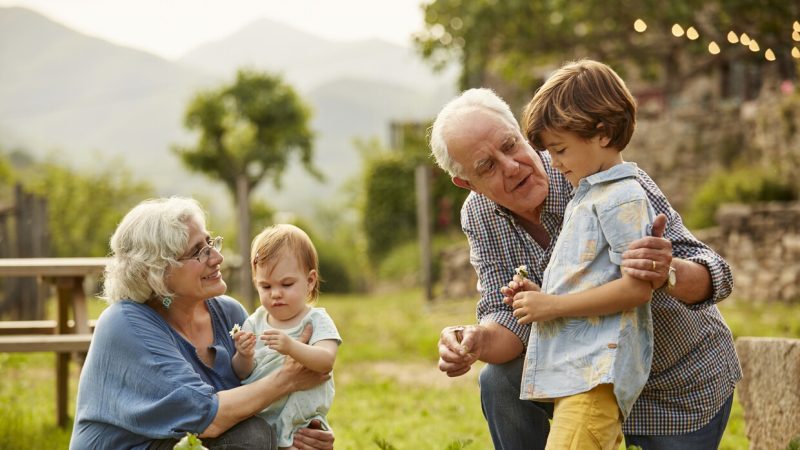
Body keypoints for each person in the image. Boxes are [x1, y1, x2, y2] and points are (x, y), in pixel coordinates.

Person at [430, 83, 741, 448]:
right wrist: (477, 340)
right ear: (467, 183)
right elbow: (508, 316)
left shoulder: (602, 173)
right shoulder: (480, 214)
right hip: (580, 380)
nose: (512, 167)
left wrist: (666, 270)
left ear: (519, 130)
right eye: (488, 166)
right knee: (499, 379)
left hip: (673, 379)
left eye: (510, 145)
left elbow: (715, 273)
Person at [70, 197, 335, 450]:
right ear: (157, 272)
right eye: (198, 252)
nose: (217, 258)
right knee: (251, 437)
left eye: (211, 243)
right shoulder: (124, 324)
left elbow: (257, 394)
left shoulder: (229, 313)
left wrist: (304, 430)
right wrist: (287, 380)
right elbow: (207, 418)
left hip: (193, 442)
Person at [508, 59, 657, 449]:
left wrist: (552, 306)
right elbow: (592, 277)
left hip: (596, 374)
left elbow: (636, 290)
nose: (553, 163)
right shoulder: (590, 194)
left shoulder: (622, 197)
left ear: (603, 134)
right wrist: (537, 295)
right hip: (578, 373)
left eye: (559, 149)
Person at [232, 224, 341, 450]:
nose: (276, 293)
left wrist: (291, 346)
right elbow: (243, 373)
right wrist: (243, 355)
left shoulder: (316, 321)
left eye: (287, 284)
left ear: (310, 281)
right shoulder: (254, 322)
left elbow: (325, 361)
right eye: (265, 286)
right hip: (263, 419)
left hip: (302, 421)